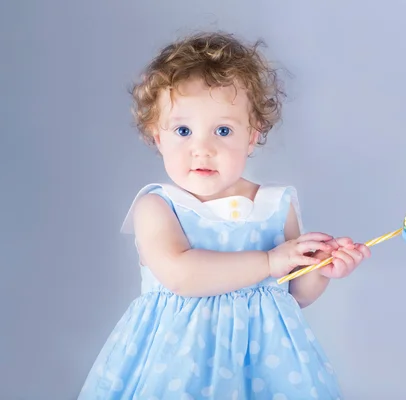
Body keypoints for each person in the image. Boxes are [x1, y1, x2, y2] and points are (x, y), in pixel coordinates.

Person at [78, 31, 371, 400]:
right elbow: (181, 275)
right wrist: (269, 260)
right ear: (158, 137)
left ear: (251, 137)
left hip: (267, 363)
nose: (202, 148)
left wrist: (323, 269)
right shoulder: (157, 205)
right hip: (180, 363)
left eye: (223, 130)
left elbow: (294, 293)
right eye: (183, 130)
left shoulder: (275, 205)